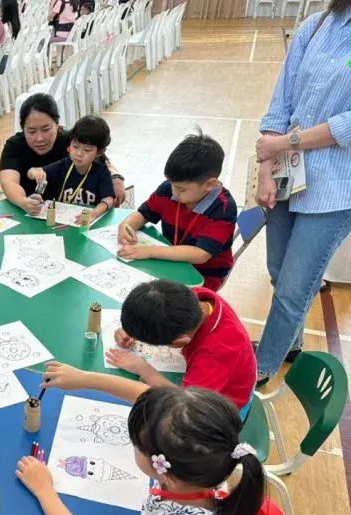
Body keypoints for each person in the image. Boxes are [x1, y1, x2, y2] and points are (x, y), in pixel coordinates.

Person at [16, 386, 265, 515]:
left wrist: (44, 489)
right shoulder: (210, 468)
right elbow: (152, 401)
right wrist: (87, 380)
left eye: (137, 446)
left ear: (165, 474)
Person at [252, 1, 351, 387]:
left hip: (336, 188)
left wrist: (289, 142)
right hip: (286, 174)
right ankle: (288, 343)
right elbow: (281, 103)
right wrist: (265, 169)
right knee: (278, 271)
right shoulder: (317, 25)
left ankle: (262, 365)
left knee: (296, 285)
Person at [88, 279, 256, 414]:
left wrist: (143, 369)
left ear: (181, 341)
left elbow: (186, 402)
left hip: (225, 407)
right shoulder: (196, 299)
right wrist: (133, 328)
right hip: (215, 379)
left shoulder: (216, 354)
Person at [117, 132, 236, 292]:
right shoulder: (169, 189)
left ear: (210, 184)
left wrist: (149, 251)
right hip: (171, 261)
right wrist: (126, 226)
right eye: (173, 185)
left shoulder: (223, 208)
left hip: (203, 275)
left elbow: (201, 255)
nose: (174, 193)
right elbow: (143, 214)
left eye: (180, 189)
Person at [0, 94, 126, 214]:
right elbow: (9, 182)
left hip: (69, 213)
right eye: (31, 131)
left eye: (46, 129)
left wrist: (116, 177)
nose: (39, 138)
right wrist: (23, 202)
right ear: (23, 129)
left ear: (57, 124)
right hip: (30, 211)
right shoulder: (15, 145)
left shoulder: (72, 142)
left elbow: (102, 161)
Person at [27, 115, 114, 221]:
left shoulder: (101, 172)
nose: (79, 154)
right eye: (75, 146)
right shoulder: (63, 165)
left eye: (87, 150)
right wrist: (35, 172)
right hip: (62, 221)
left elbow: (109, 200)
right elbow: (31, 173)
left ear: (99, 152)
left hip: (85, 224)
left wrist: (93, 214)